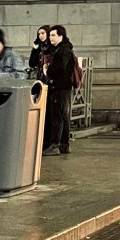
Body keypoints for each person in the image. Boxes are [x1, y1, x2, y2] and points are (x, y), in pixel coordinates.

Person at [42, 25, 77, 156]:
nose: (50, 38)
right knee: (64, 116)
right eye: (50, 35)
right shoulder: (64, 49)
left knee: (57, 117)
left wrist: (48, 70)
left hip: (60, 87)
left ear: (61, 36)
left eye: (53, 35)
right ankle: (64, 144)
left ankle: (55, 145)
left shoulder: (62, 50)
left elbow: (60, 67)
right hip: (64, 87)